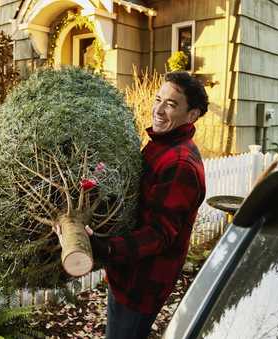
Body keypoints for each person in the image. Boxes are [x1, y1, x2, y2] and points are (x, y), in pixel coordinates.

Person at [87, 71, 208, 338]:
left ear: (192, 115)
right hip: (128, 272)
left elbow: (159, 234)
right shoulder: (161, 146)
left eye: (171, 104)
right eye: (158, 99)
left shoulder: (179, 165)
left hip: (142, 283)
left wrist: (107, 247)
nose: (159, 109)